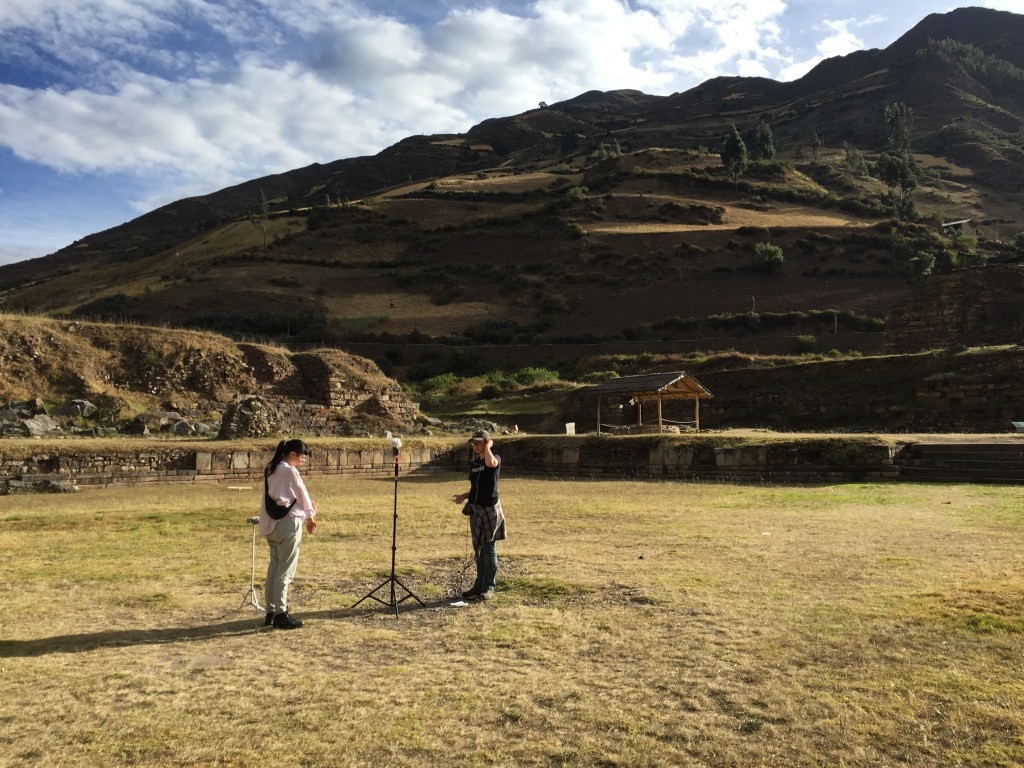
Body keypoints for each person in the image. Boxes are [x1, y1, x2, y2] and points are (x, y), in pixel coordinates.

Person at [259, 438, 317, 629]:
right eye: (301, 457)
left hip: (272, 523)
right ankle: (281, 614)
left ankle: (271, 612)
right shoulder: (289, 471)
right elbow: (302, 494)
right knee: (285, 570)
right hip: (288, 524)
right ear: (292, 454)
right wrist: (310, 515)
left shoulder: (271, 469)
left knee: (274, 568)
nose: (302, 460)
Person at [453, 430, 506, 601]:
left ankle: (488, 586)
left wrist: (489, 446)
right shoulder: (475, 463)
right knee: (478, 549)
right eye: (473, 444)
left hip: (489, 509)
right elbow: (476, 486)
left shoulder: (495, 457)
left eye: (479, 443)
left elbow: (491, 463)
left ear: (486, 442)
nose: (475, 446)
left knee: (489, 548)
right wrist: (464, 496)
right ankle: (479, 585)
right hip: (475, 509)